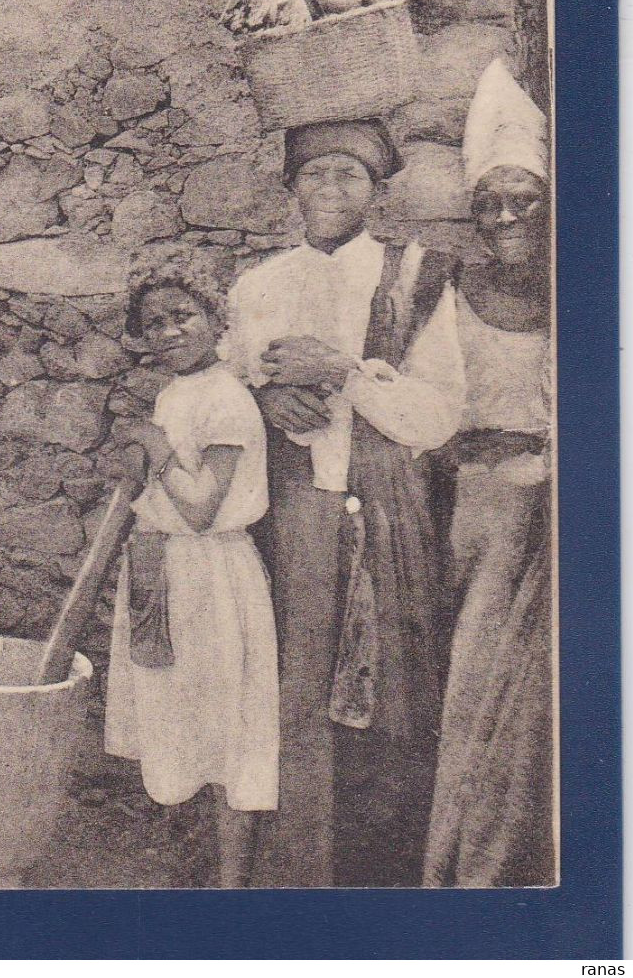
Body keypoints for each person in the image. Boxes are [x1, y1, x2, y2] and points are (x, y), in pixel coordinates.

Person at [222, 117, 466, 887]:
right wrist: (261, 406)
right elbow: (226, 389)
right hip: (291, 518)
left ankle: (378, 880)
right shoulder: (257, 286)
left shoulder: (417, 275)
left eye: (349, 175)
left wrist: (342, 372)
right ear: (290, 186)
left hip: (387, 515)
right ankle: (293, 875)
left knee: (388, 689)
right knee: (291, 687)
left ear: (376, 189)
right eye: (314, 174)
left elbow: (435, 415)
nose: (330, 190)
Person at [105, 255, 278, 888]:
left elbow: (204, 508)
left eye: (184, 316)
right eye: (153, 324)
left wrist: (154, 448)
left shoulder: (227, 399)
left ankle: (231, 880)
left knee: (226, 723)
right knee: (176, 713)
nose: (169, 331)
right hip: (164, 568)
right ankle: (187, 863)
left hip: (211, 575)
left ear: (215, 322)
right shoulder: (177, 391)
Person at [424, 60, 556, 887]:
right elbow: (434, 410)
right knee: (472, 685)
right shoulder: (452, 291)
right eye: (487, 201)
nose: (504, 216)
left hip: (552, 511)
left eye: (523, 199)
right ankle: (456, 865)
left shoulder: (579, 291)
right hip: (480, 513)